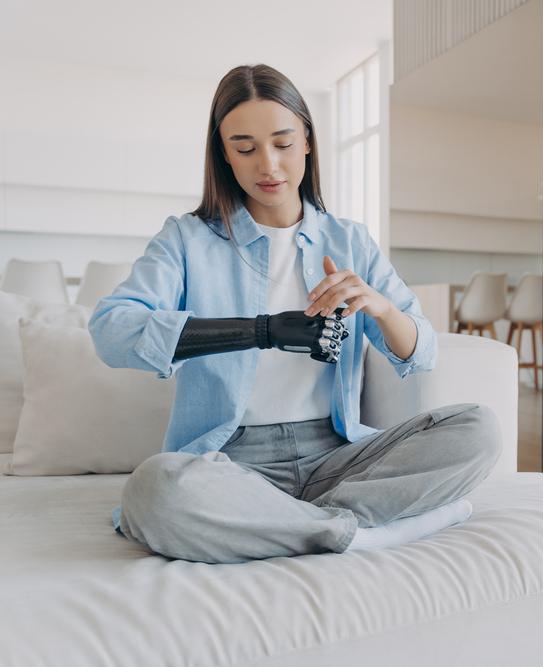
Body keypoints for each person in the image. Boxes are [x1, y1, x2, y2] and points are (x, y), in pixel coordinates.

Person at [88, 64, 503, 564]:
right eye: (245, 148)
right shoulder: (186, 239)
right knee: (153, 491)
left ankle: (298, 523)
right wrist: (262, 331)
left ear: (307, 140)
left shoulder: (350, 241)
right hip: (231, 462)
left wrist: (380, 305)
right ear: (223, 154)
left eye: (283, 143)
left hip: (337, 456)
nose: (268, 165)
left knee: (478, 429)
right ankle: (357, 530)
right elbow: (112, 331)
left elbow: (423, 352)